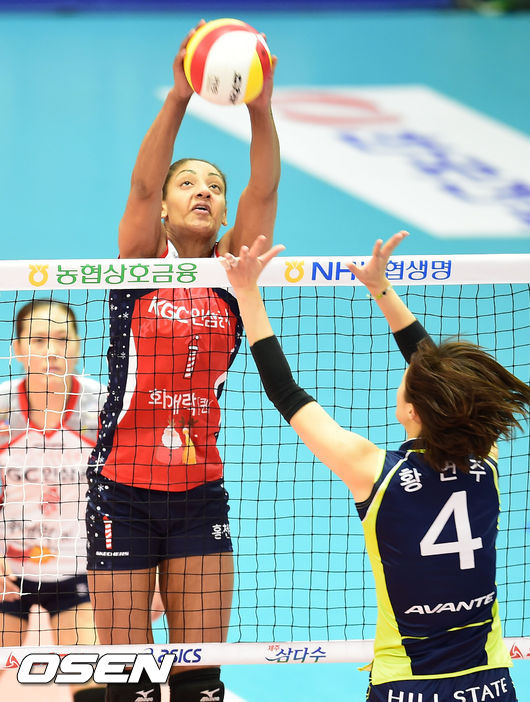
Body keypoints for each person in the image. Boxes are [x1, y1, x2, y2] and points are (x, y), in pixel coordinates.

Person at [221, 232, 530, 702]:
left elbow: (286, 392)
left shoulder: (375, 473)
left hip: (405, 686)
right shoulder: (484, 459)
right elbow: (445, 381)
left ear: (412, 411)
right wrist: (381, 290)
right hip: (489, 684)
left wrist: (246, 293)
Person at [86, 20, 280, 702]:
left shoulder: (234, 275)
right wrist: (178, 97)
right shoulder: (141, 264)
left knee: (201, 681)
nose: (204, 191)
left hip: (200, 495)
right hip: (122, 489)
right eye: (188, 184)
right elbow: (140, 190)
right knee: (131, 684)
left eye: (214, 187)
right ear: (166, 211)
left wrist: (260, 109)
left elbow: (264, 194)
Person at [0, 298, 105, 702]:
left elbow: (134, 497)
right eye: (39, 339)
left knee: (95, 688)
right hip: (7, 571)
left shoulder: (105, 407)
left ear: (77, 345)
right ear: (17, 348)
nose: (52, 350)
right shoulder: (2, 408)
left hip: (80, 569)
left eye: (62, 339)